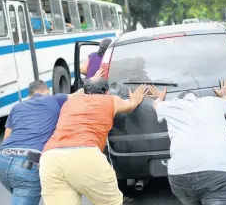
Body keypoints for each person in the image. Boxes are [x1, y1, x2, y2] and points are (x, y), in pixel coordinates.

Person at [39, 77, 148, 205]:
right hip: (84, 154)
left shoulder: (70, 103)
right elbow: (131, 105)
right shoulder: (110, 100)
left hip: (50, 158)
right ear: (107, 92)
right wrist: (134, 97)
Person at [0, 78, 87, 205]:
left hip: (1, 161)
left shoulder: (16, 107)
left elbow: (6, 138)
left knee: (20, 194)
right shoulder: (55, 99)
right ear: (47, 91)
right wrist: (94, 78)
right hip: (27, 164)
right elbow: (79, 93)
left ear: (29, 95)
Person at [148, 81, 226, 205]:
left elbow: (156, 104)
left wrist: (159, 97)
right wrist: (224, 94)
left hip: (179, 177)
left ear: (179, 100)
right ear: (198, 98)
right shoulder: (214, 102)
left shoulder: (169, 106)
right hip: (219, 174)